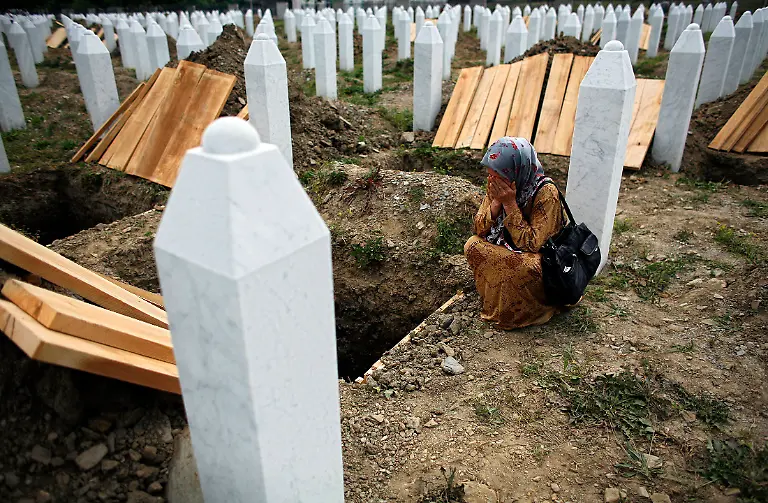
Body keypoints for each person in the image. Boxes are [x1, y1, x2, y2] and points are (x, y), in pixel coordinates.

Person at [464, 137, 565, 329]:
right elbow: (479, 228)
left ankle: (532, 311)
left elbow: (531, 244)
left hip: (542, 260)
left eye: (499, 175)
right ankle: (497, 305)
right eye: (490, 174)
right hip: (509, 247)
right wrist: (495, 203)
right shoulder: (498, 183)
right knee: (473, 246)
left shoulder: (546, 193)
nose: (492, 180)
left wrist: (510, 204)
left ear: (516, 171)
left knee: (522, 266)